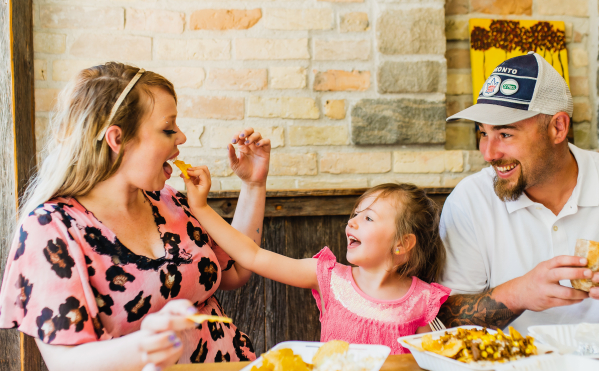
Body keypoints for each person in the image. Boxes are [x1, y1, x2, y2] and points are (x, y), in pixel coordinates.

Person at [0, 63, 272, 370]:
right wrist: (146, 344)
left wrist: (253, 185)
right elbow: (66, 364)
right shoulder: (51, 229)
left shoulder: (168, 201)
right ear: (117, 139)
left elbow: (236, 271)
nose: (181, 137)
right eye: (168, 128)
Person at [434, 52, 599, 333]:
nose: (488, 153)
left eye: (505, 134)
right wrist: (519, 293)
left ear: (558, 127)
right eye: (482, 133)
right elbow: (439, 320)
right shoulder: (470, 200)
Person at [183, 177, 450, 354]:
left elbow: (434, 361)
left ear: (402, 244)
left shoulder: (422, 301)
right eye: (354, 214)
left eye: (368, 218)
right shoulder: (328, 277)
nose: (352, 222)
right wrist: (201, 207)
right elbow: (252, 255)